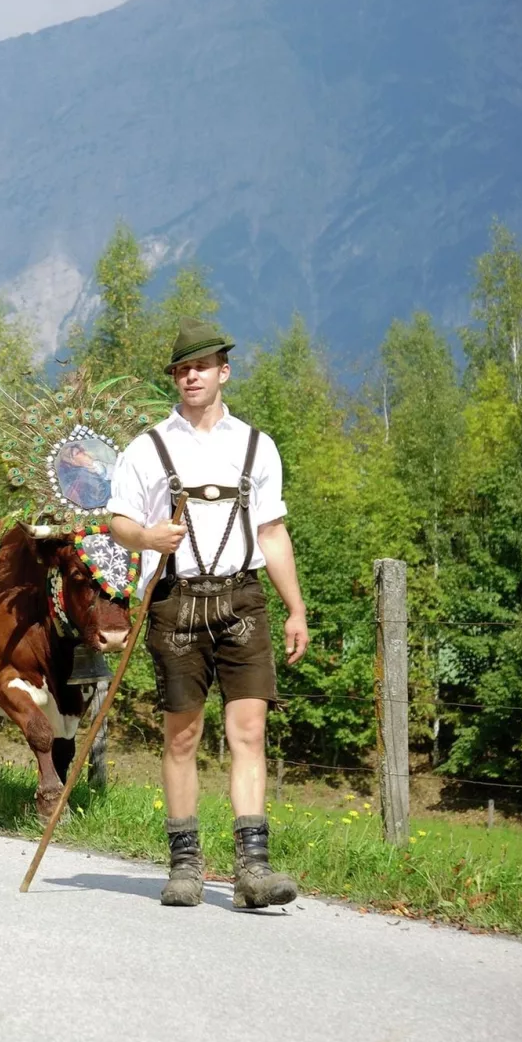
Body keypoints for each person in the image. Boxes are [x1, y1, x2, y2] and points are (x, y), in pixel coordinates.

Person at [106, 318, 309, 909]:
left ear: (224, 371)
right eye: (181, 368)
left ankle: (253, 871)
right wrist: (147, 535)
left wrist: (294, 607)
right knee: (183, 734)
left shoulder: (256, 446)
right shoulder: (147, 448)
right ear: (175, 378)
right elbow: (116, 521)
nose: (190, 374)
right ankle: (186, 866)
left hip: (244, 599)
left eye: (202, 365)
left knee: (249, 730)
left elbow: (271, 531)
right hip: (176, 601)